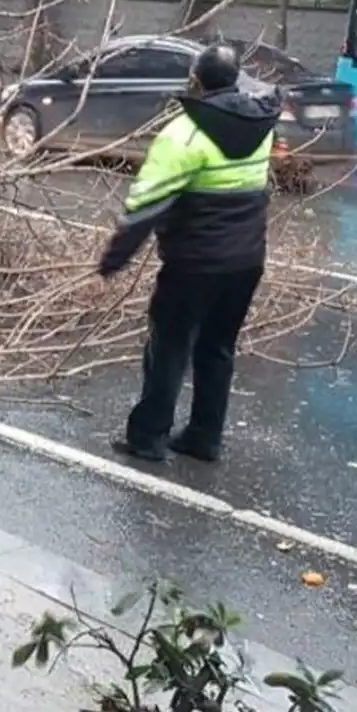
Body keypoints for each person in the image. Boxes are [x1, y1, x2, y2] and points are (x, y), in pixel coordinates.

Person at [99, 43, 281, 464]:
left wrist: (114, 260)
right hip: (246, 261)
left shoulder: (183, 134)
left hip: (195, 262)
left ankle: (148, 438)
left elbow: (147, 204)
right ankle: (204, 436)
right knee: (217, 348)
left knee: (169, 347)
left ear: (196, 80)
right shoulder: (262, 124)